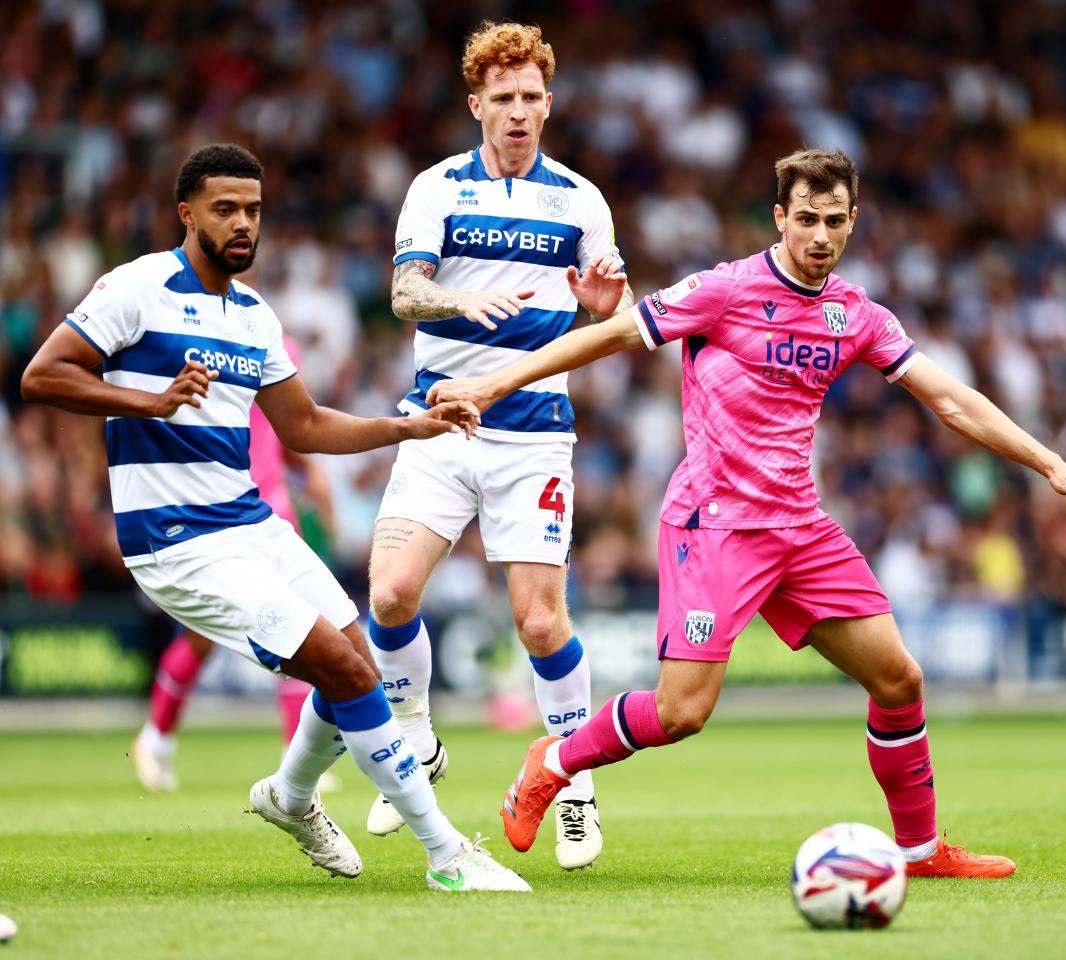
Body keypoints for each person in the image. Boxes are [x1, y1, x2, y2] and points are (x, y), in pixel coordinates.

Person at [428, 148, 1066, 878]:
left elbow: (949, 398)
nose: (819, 236)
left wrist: (1047, 460)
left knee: (899, 680)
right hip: (713, 526)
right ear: (780, 217)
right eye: (806, 220)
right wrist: (494, 384)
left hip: (801, 531)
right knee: (681, 713)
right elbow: (609, 335)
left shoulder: (854, 313)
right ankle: (555, 758)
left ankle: (918, 851)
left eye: (834, 221)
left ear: (853, 222)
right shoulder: (724, 291)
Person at [21, 143, 528, 892]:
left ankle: (289, 798)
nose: (242, 224)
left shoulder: (254, 316)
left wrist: (410, 426)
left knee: (360, 659)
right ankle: (446, 852)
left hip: (249, 524)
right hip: (173, 539)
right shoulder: (135, 287)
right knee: (348, 671)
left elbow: (306, 427)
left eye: (252, 210)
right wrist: (148, 401)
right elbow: (43, 374)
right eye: (225, 209)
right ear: (186, 213)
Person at [366, 20, 631, 870]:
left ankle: (576, 784)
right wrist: (456, 305)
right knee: (391, 596)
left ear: (548, 104)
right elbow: (405, 292)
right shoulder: (437, 188)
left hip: (532, 438)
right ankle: (415, 740)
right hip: (439, 423)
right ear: (475, 104)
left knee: (540, 620)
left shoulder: (581, 200)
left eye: (531, 99)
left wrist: (601, 301)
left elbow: (617, 314)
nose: (518, 113)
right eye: (502, 99)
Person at [131, 333, 338, 794]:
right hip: (219, 507)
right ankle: (156, 738)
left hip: (273, 506)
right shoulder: (194, 343)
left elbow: (283, 425)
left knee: (303, 627)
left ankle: (295, 754)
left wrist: (311, 472)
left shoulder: (280, 344)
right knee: (203, 639)